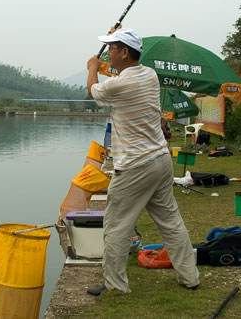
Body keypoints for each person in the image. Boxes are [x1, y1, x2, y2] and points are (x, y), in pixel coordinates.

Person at [85, 27, 199, 296]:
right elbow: (118, 75)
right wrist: (109, 51)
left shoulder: (120, 84)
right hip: (160, 160)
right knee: (170, 221)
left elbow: (93, 91)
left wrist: (91, 66)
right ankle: (190, 276)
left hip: (135, 166)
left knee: (115, 224)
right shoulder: (149, 75)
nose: (110, 52)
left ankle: (115, 284)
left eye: (113, 48)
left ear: (124, 52)